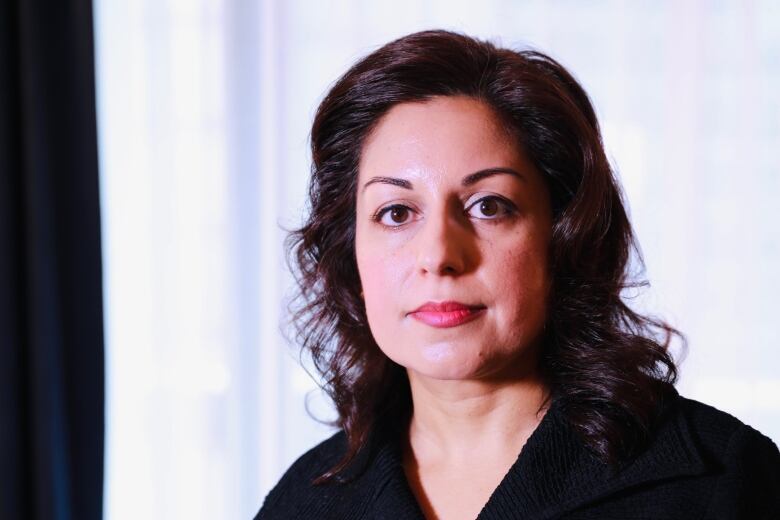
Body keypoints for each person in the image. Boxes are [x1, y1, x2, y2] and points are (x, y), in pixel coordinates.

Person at [256, 30, 780, 520]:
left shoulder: (721, 482)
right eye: (396, 213)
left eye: (489, 206)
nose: (438, 255)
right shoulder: (303, 503)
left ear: (564, 235)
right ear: (351, 254)